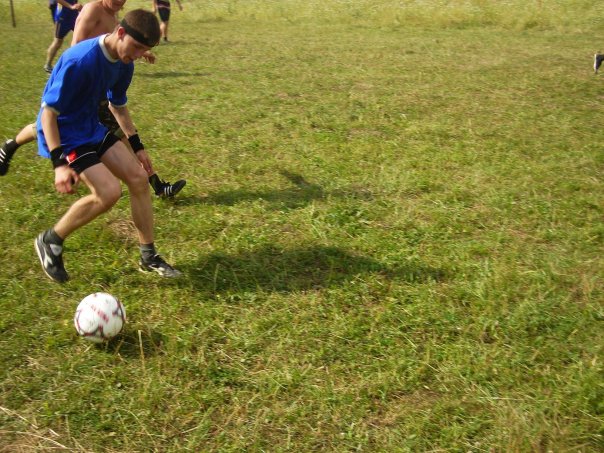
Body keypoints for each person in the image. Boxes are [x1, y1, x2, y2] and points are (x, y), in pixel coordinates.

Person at [33, 8, 181, 282]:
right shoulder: (80, 60)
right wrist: (59, 164)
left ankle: (148, 256)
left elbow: (118, 107)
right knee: (109, 192)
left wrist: (137, 146)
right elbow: (48, 114)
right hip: (64, 134)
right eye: (136, 47)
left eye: (144, 50)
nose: (138, 55)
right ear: (120, 32)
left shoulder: (125, 63)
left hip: (90, 127)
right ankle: (50, 240)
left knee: (138, 178)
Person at [0, 0, 186, 198]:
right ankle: (155, 184)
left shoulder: (113, 16)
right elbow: (77, 47)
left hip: (97, 86)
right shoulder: (92, 10)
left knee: (47, 126)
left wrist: (139, 51)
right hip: (82, 82)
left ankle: (11, 145)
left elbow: (118, 42)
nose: (120, 1)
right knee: (113, 132)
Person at [44, 0, 83, 73]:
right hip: (62, 18)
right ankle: (48, 65)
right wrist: (71, 6)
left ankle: (76, 64)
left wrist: (79, 7)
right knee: (58, 41)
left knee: (81, 38)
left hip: (74, 16)